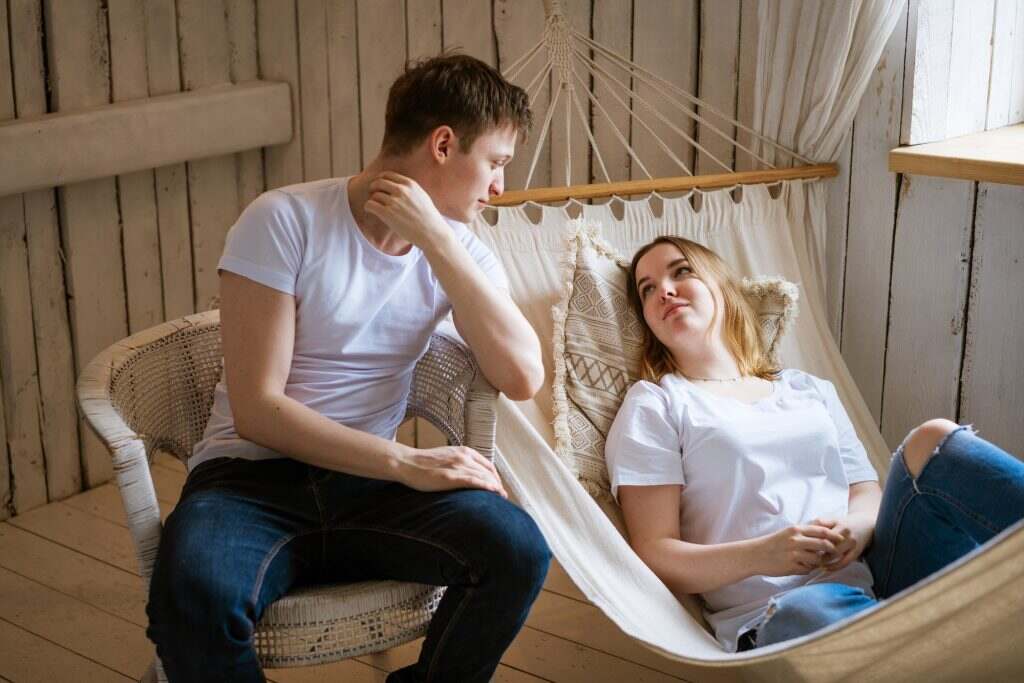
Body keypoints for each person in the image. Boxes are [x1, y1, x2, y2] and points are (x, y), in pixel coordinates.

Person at [146, 54, 552, 682]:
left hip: (368, 492)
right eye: (495, 163)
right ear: (444, 145)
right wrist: (406, 462)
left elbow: (523, 377)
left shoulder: (460, 249)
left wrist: (437, 241)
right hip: (249, 484)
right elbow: (257, 410)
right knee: (192, 597)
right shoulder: (283, 220)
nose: (499, 187)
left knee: (518, 550)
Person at [605, 235, 1024, 653]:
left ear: (721, 286)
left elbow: (866, 493)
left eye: (681, 272)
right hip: (779, 610)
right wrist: (764, 555)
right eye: (647, 289)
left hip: (877, 572)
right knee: (805, 610)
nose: (664, 291)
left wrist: (855, 529)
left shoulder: (807, 389)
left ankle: (922, 638)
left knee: (933, 441)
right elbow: (655, 552)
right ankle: (931, 647)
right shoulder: (657, 403)